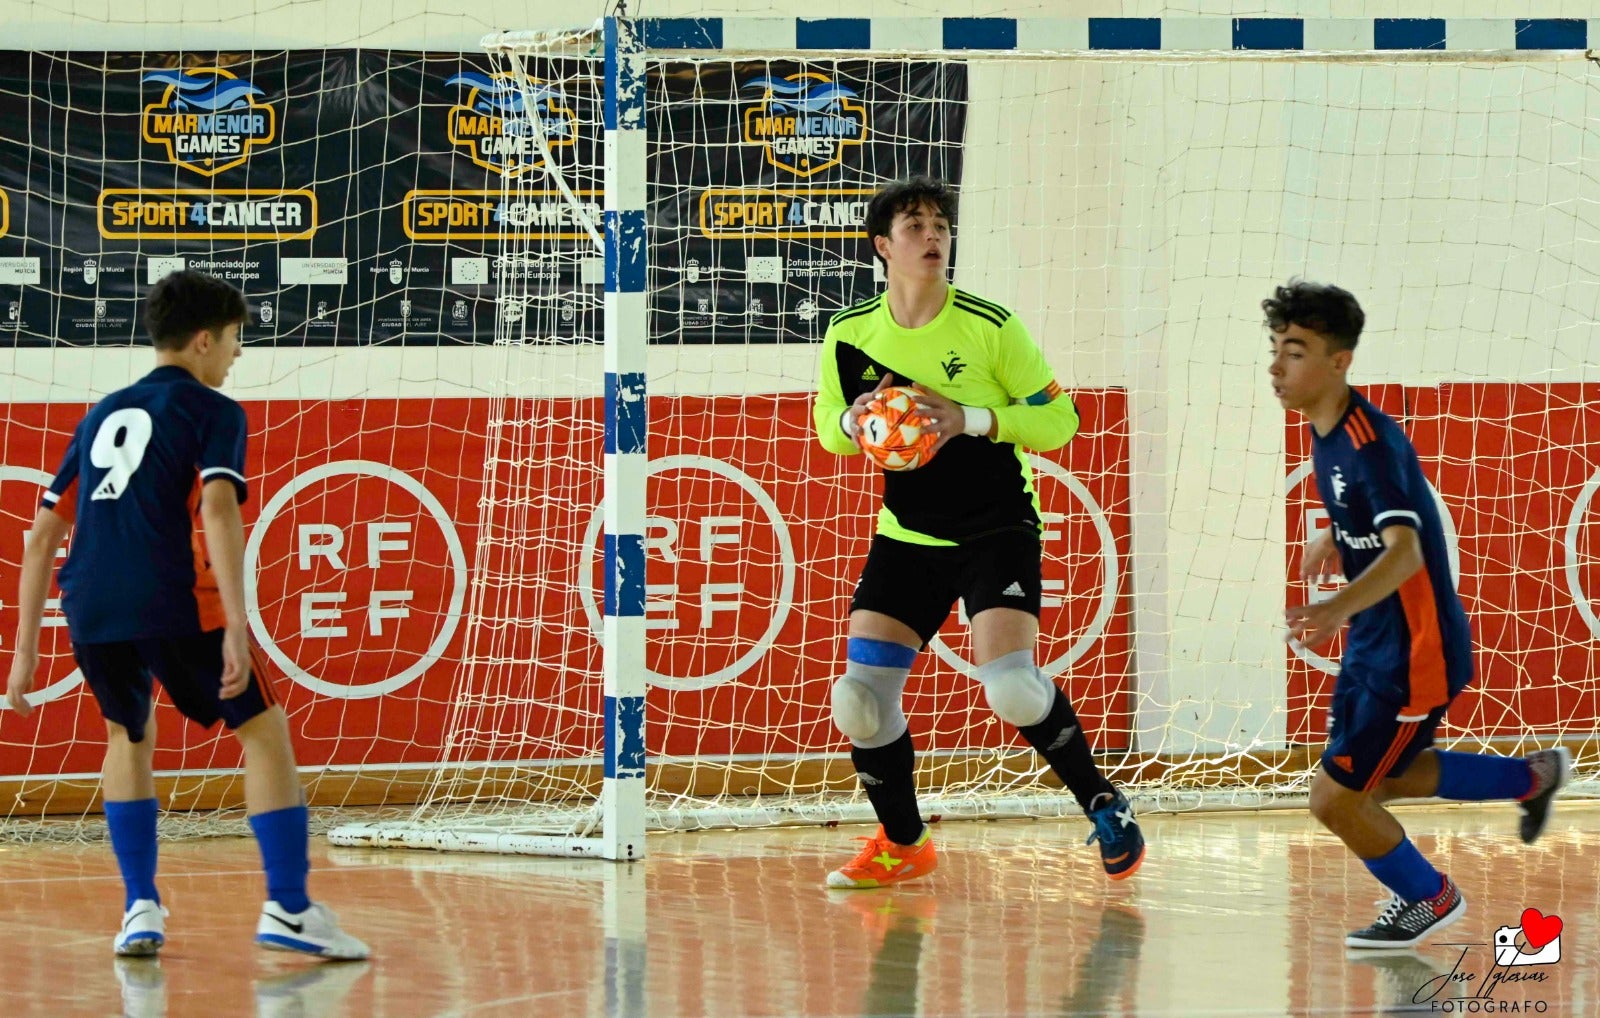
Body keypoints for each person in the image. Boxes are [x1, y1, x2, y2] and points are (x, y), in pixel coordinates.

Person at [5, 270, 368, 961]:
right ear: (204, 340)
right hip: (170, 593)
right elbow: (220, 508)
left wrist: (23, 651)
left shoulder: (102, 411)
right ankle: (290, 908)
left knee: (127, 735)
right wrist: (236, 620)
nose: (235, 356)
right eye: (234, 341)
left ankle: (139, 907)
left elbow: (43, 533)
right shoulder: (213, 411)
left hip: (89, 600)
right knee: (263, 732)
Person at [812, 176, 1145, 889]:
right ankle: (904, 844)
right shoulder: (849, 333)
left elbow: (1062, 422)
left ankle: (1105, 804)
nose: (932, 236)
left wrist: (970, 418)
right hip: (907, 536)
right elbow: (828, 429)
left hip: (996, 528)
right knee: (859, 701)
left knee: (1013, 691)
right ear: (883, 246)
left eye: (940, 225)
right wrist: (857, 419)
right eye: (914, 226)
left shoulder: (991, 326)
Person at [1269, 279, 1570, 949]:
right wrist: (1336, 536)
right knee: (1394, 773)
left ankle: (1429, 897)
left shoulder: (1366, 442)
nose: (1276, 366)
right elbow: (1379, 524)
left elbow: (1404, 554)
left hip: (1412, 657)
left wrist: (1330, 609)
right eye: (1276, 349)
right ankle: (1533, 776)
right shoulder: (1330, 429)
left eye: (1295, 351)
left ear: (1339, 361)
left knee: (1336, 799)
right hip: (1378, 646)